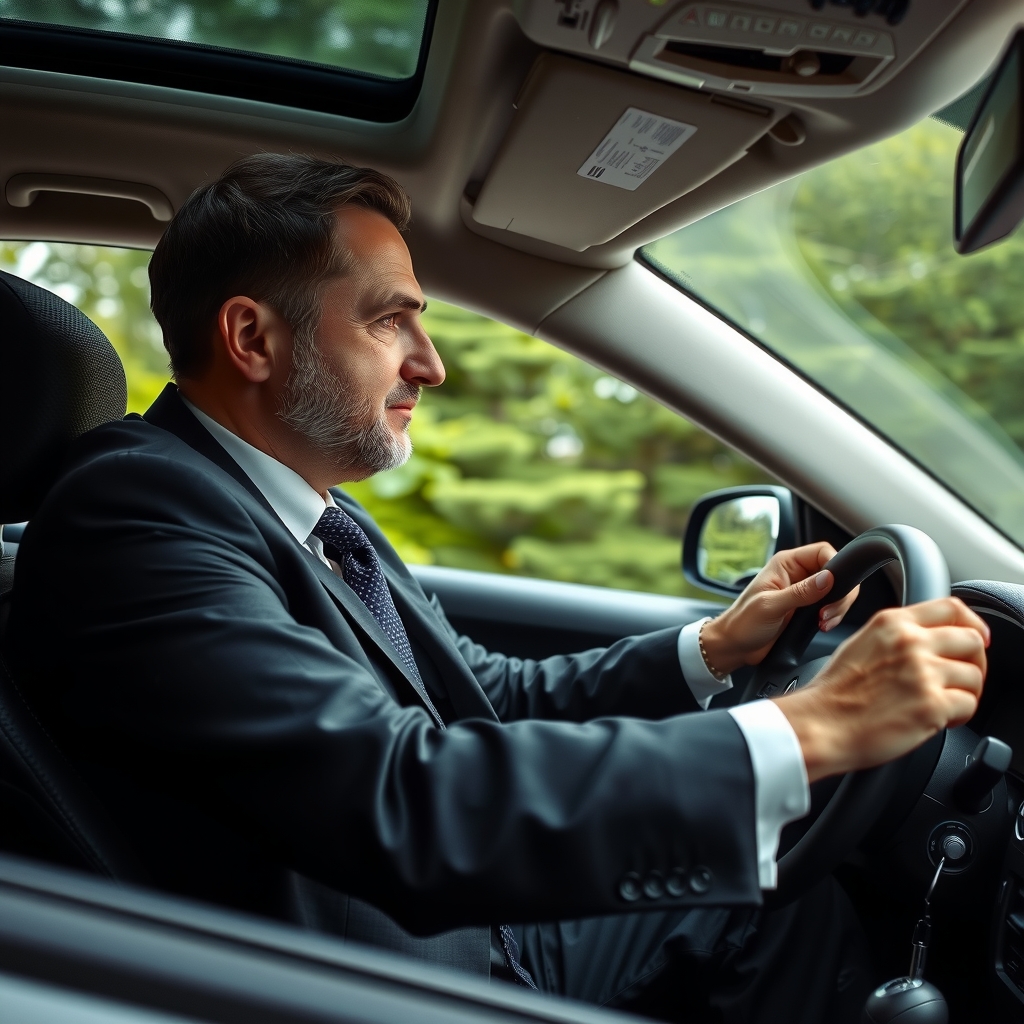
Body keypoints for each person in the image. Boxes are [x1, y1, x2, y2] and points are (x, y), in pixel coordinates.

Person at [3, 155, 989, 1024]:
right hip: (368, 974)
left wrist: (716, 646)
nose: (429, 364)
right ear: (253, 339)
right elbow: (400, 796)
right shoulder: (136, 515)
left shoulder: (300, 510)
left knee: (771, 899)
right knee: (773, 910)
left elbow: (481, 696)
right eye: (391, 320)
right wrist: (813, 727)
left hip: (451, 928)